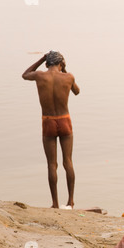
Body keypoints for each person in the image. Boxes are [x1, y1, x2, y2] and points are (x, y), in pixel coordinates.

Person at [22, 51, 80, 209]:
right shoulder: (68, 77)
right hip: (65, 120)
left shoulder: (40, 76)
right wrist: (65, 70)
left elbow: (25, 74)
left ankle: (54, 203)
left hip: (48, 121)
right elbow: (77, 91)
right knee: (68, 162)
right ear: (61, 64)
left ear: (47, 63)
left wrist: (41, 58)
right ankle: (70, 201)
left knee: (51, 165)